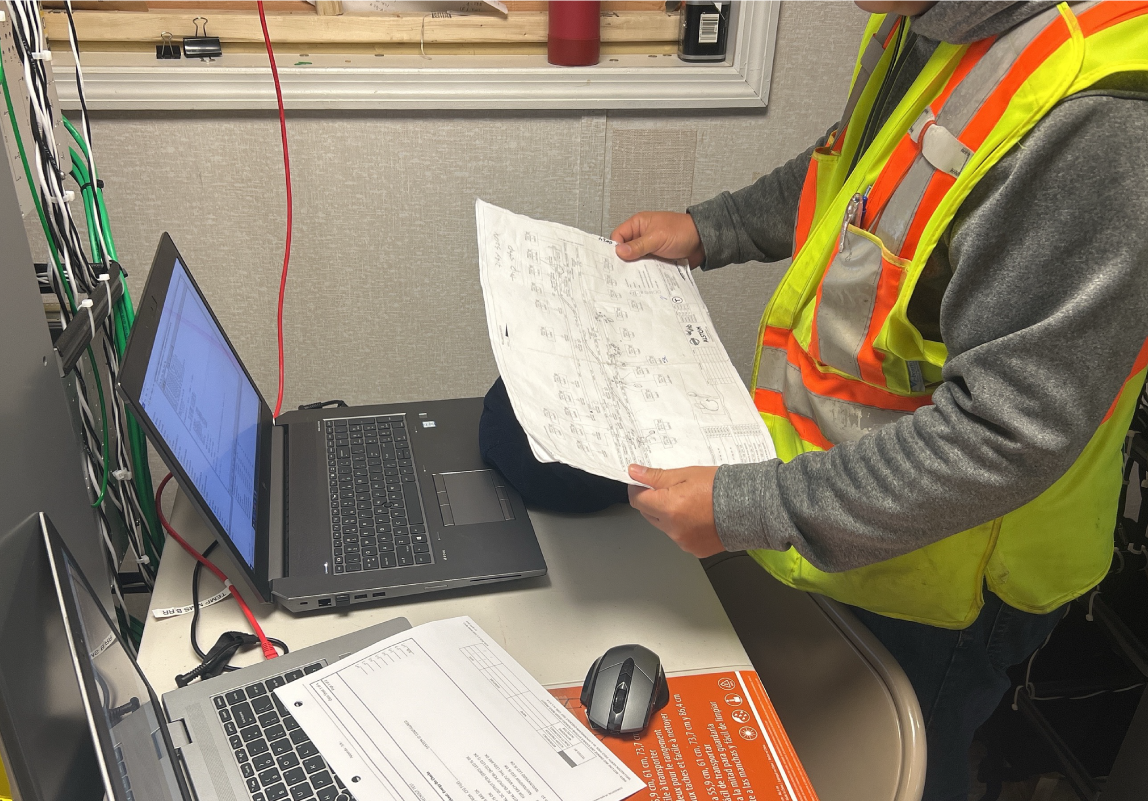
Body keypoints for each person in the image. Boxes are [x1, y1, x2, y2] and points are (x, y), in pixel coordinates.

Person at [480, 2, 1148, 799]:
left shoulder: (1098, 120)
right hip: (838, 515)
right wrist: (710, 227)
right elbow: (854, 172)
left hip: (950, 573)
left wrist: (749, 505)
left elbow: (1005, 434)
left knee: (899, 767)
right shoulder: (928, 17)